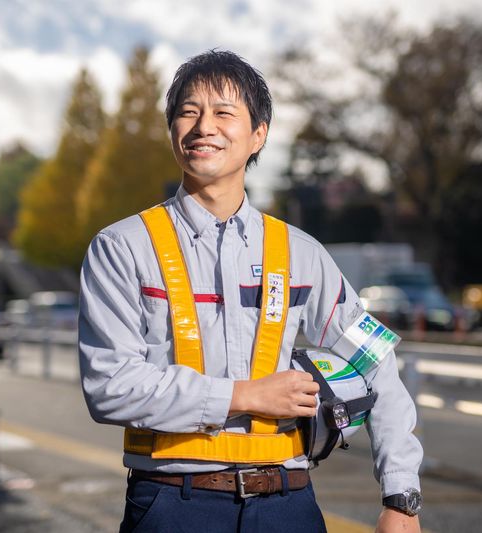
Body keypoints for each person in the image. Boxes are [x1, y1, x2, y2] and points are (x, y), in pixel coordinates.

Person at [78, 49, 423, 533]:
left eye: (223, 112)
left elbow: (375, 359)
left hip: (289, 504)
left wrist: (401, 496)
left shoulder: (300, 253)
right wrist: (245, 395)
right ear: (172, 129)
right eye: (188, 112)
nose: (203, 126)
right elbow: (109, 387)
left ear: (258, 133)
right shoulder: (122, 248)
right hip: (172, 505)